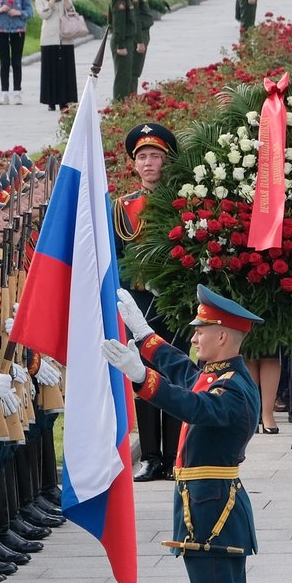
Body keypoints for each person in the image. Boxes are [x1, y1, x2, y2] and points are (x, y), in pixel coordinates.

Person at [104, 285, 261, 583]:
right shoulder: (219, 374)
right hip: (204, 509)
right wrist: (144, 336)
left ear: (223, 337)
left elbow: (192, 404)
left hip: (214, 517)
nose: (194, 337)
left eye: (201, 330)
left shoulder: (234, 391)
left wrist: (141, 378)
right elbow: (184, 372)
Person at [115, 123, 184, 481]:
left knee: (173, 373)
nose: (148, 163)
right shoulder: (122, 207)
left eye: (155, 156)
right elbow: (116, 256)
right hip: (140, 301)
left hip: (173, 301)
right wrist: (133, 285)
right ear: (134, 164)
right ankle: (151, 456)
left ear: (166, 160)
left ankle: (173, 455)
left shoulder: (182, 201)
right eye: (142, 157)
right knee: (142, 373)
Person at [32, 0, 80, 111]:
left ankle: (66, 99)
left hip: (65, 36)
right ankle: (51, 100)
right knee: (50, 70)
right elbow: (44, 14)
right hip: (49, 38)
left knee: (66, 69)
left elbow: (72, 10)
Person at [108, 0, 150, 100]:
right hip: (123, 41)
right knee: (123, 78)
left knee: (128, 76)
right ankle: (119, 106)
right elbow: (118, 24)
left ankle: (128, 104)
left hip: (128, 40)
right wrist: (120, 45)